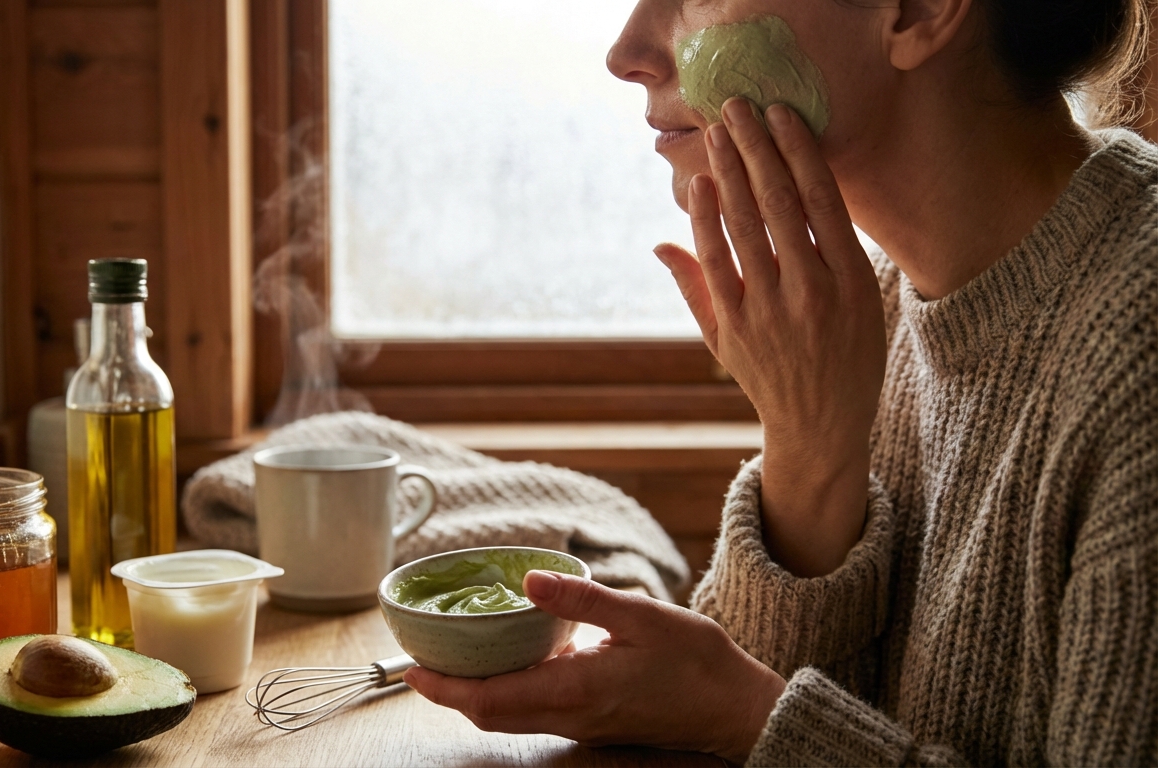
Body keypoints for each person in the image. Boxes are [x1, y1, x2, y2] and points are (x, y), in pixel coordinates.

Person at [402, 0, 1158, 764]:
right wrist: (807, 451)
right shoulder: (875, 305)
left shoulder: (1138, 343)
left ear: (920, 11)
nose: (626, 50)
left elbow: (739, 716)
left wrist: (742, 716)